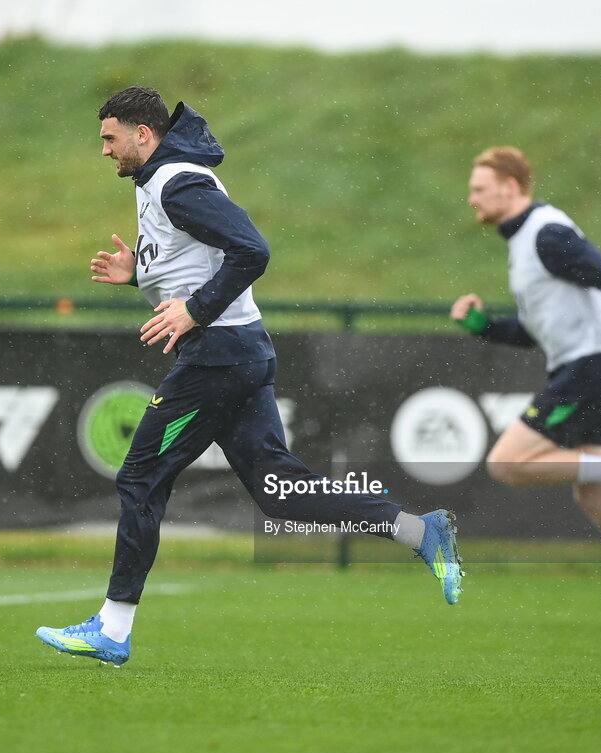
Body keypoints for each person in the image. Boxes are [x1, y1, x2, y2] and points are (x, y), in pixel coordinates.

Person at [36, 86, 463, 667]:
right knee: (277, 490)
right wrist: (140, 275)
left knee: (139, 478)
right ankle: (418, 532)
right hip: (239, 351)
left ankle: (112, 628)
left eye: (110, 138)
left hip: (217, 355)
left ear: (143, 133)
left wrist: (195, 310)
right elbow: (201, 257)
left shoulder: (177, 181)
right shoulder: (161, 181)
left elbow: (251, 250)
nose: (105, 151)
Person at [451, 146, 601, 628]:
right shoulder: (525, 243)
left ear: (510, 186)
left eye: (479, 189)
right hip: (591, 366)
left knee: (506, 462)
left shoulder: (547, 235)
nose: (471, 198)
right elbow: (532, 331)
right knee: (594, 493)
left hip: (591, 368)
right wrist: (483, 325)